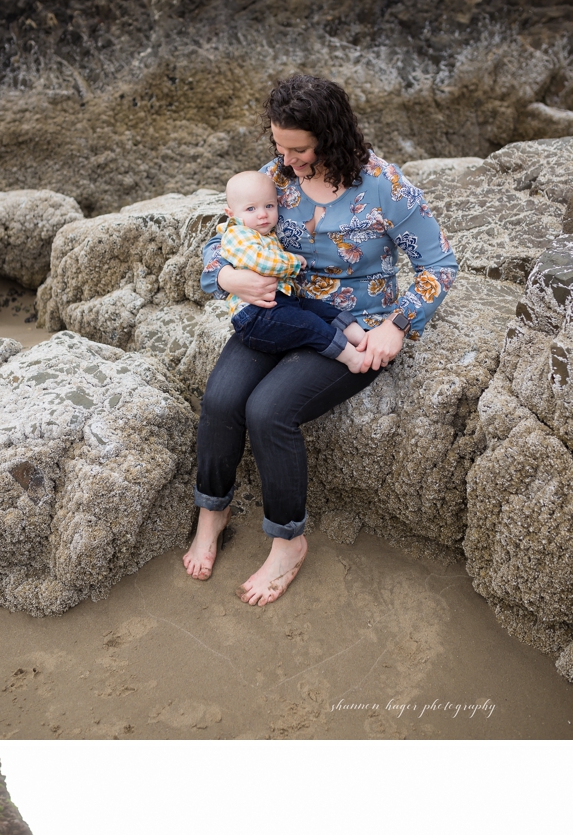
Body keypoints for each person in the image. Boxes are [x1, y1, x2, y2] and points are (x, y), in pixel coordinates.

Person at [183, 73, 458, 604]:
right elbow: (226, 236)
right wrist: (227, 277)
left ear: (331, 137)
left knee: (268, 411)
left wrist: (397, 325)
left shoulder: (385, 186)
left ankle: (289, 542)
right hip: (278, 310)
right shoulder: (276, 176)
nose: (286, 161)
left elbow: (440, 264)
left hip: (354, 325)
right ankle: (212, 511)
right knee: (220, 400)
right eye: (279, 147)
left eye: (299, 150)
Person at [212, 171, 369, 365]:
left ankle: (362, 339)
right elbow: (262, 262)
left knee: (321, 310)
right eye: (251, 209)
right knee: (309, 324)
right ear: (230, 214)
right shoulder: (237, 234)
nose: (262, 214)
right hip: (255, 316)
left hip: (283, 302)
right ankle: (353, 358)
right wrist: (293, 262)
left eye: (269, 206)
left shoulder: (265, 234)